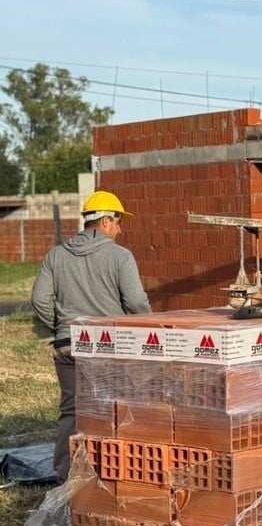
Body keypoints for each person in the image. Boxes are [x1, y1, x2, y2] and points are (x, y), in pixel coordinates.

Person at [31, 190, 151, 484]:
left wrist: (63, 328)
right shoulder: (121, 257)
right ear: (107, 221)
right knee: (112, 407)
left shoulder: (55, 255)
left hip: (67, 346)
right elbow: (136, 303)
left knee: (71, 410)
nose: (120, 230)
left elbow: (39, 300)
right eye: (119, 222)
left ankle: (65, 476)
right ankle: (112, 473)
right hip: (109, 348)